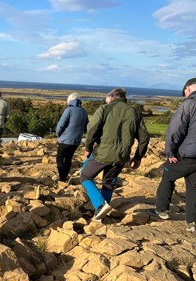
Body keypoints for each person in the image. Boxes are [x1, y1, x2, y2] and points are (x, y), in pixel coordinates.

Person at [80, 88, 150, 221]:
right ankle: (100, 215)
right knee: (108, 182)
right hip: (122, 156)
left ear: (111, 97)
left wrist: (88, 147)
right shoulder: (134, 112)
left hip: (103, 153)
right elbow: (144, 137)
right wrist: (138, 157)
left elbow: (92, 130)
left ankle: (100, 205)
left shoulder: (105, 109)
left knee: (85, 176)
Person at [150, 77, 196, 232]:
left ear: (188, 89)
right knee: (194, 188)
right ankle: (192, 223)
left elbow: (175, 131)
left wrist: (170, 152)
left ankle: (162, 210)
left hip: (185, 155)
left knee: (167, 177)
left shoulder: (188, 104)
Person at [55, 93, 89, 182]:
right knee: (68, 158)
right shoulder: (84, 111)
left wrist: (58, 134)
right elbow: (86, 127)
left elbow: (61, 124)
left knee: (59, 158)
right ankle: (65, 177)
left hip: (65, 139)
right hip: (76, 140)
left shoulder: (69, 110)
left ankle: (62, 177)